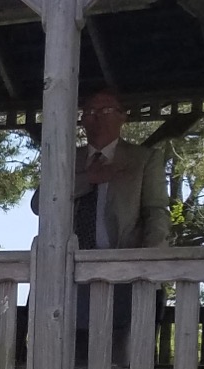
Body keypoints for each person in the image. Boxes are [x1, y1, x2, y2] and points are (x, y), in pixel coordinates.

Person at [66, 87, 169, 249]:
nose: (98, 116)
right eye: (90, 111)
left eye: (106, 110)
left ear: (122, 116)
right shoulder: (66, 160)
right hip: (70, 260)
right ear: (83, 120)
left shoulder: (144, 159)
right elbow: (39, 205)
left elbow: (155, 212)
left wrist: (151, 259)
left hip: (125, 262)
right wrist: (87, 180)